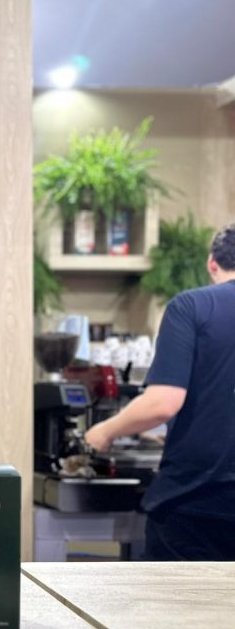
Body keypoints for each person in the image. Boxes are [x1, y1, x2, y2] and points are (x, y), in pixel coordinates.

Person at [85, 223, 235, 560]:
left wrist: (103, 432)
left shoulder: (192, 307)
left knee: (177, 597)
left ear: (212, 263)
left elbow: (162, 403)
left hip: (197, 507)